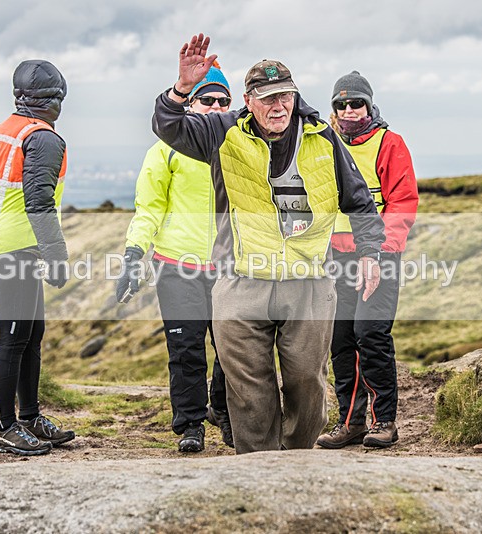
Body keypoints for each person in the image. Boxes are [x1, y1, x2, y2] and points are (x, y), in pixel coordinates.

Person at [152, 34, 386, 454]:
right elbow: (168, 125)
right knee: (247, 386)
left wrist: (371, 253)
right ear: (248, 100)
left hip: (309, 281)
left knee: (305, 381)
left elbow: (360, 199)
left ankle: (296, 461)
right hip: (241, 280)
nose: (278, 106)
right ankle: (258, 468)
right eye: (267, 97)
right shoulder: (223, 132)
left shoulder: (323, 139)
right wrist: (182, 88)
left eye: (285, 96)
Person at [116, 64, 233, 452]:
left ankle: (225, 411)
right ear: (190, 103)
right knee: (186, 349)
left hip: (231, 267)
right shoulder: (165, 149)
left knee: (234, 348)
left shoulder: (239, 149)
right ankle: (191, 426)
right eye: (207, 99)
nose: (216, 106)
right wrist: (135, 253)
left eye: (223, 100)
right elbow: (148, 208)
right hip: (176, 265)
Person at [0, 59, 75, 456]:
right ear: (56, 99)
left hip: (0, 246)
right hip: (17, 250)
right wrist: (57, 254)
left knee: (31, 336)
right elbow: (39, 201)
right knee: (14, 340)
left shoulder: (0, 132)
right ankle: (4, 427)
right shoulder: (43, 137)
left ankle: (29, 418)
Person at [316, 71, 418, 449]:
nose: (349, 110)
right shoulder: (324, 143)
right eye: (341, 104)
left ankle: (384, 421)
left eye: (356, 103)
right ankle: (350, 422)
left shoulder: (390, 143)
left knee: (371, 334)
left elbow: (403, 201)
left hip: (380, 257)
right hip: (336, 258)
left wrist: (378, 252)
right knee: (341, 340)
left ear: (370, 105)